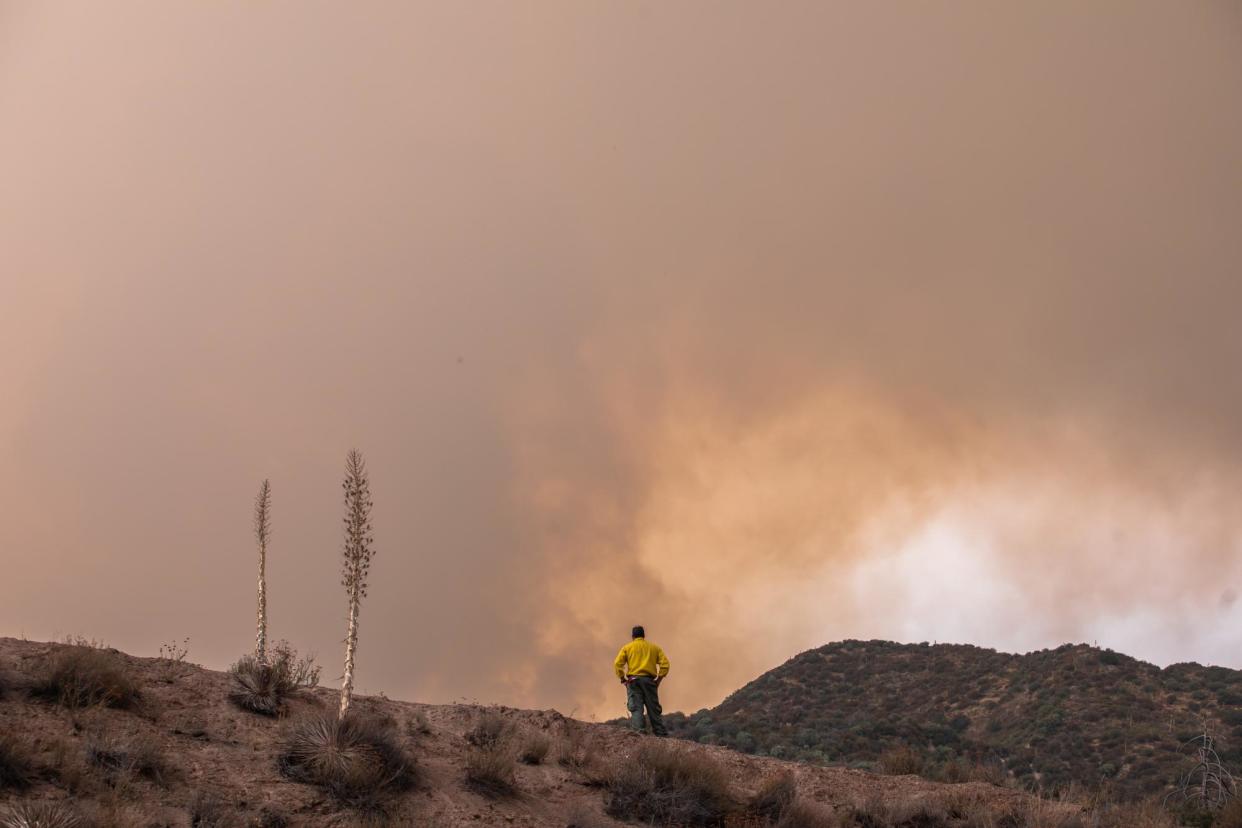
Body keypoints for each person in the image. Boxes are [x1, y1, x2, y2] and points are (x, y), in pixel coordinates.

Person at [614, 625, 670, 736]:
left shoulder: (627, 648)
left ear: (632, 636)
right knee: (653, 709)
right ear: (644, 636)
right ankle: (661, 735)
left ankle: (639, 736)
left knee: (636, 709)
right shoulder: (654, 648)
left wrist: (623, 679)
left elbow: (617, 664)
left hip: (633, 681)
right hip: (649, 681)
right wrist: (658, 680)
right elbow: (665, 665)